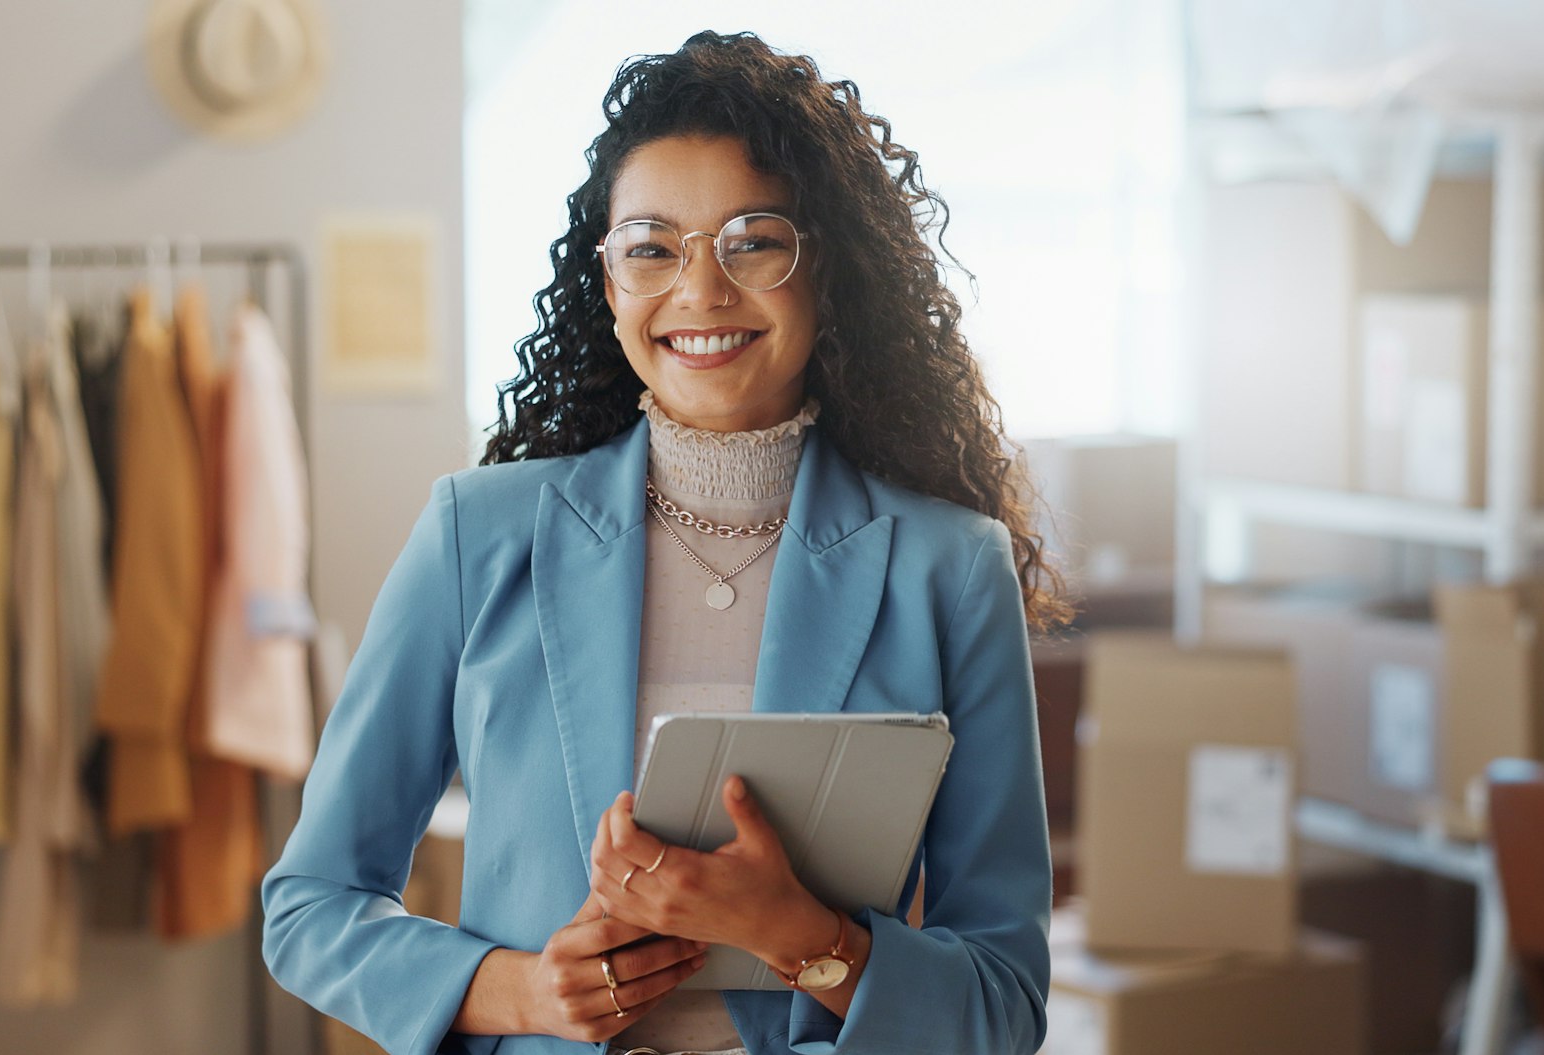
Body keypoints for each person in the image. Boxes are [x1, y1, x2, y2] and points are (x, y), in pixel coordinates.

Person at [262, 30, 1065, 1055]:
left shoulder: (950, 569)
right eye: (651, 246)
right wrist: (520, 991)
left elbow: (1002, 999)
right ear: (607, 282)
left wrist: (804, 938)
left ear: (829, 272)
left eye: (754, 239)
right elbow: (308, 906)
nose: (700, 291)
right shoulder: (475, 535)